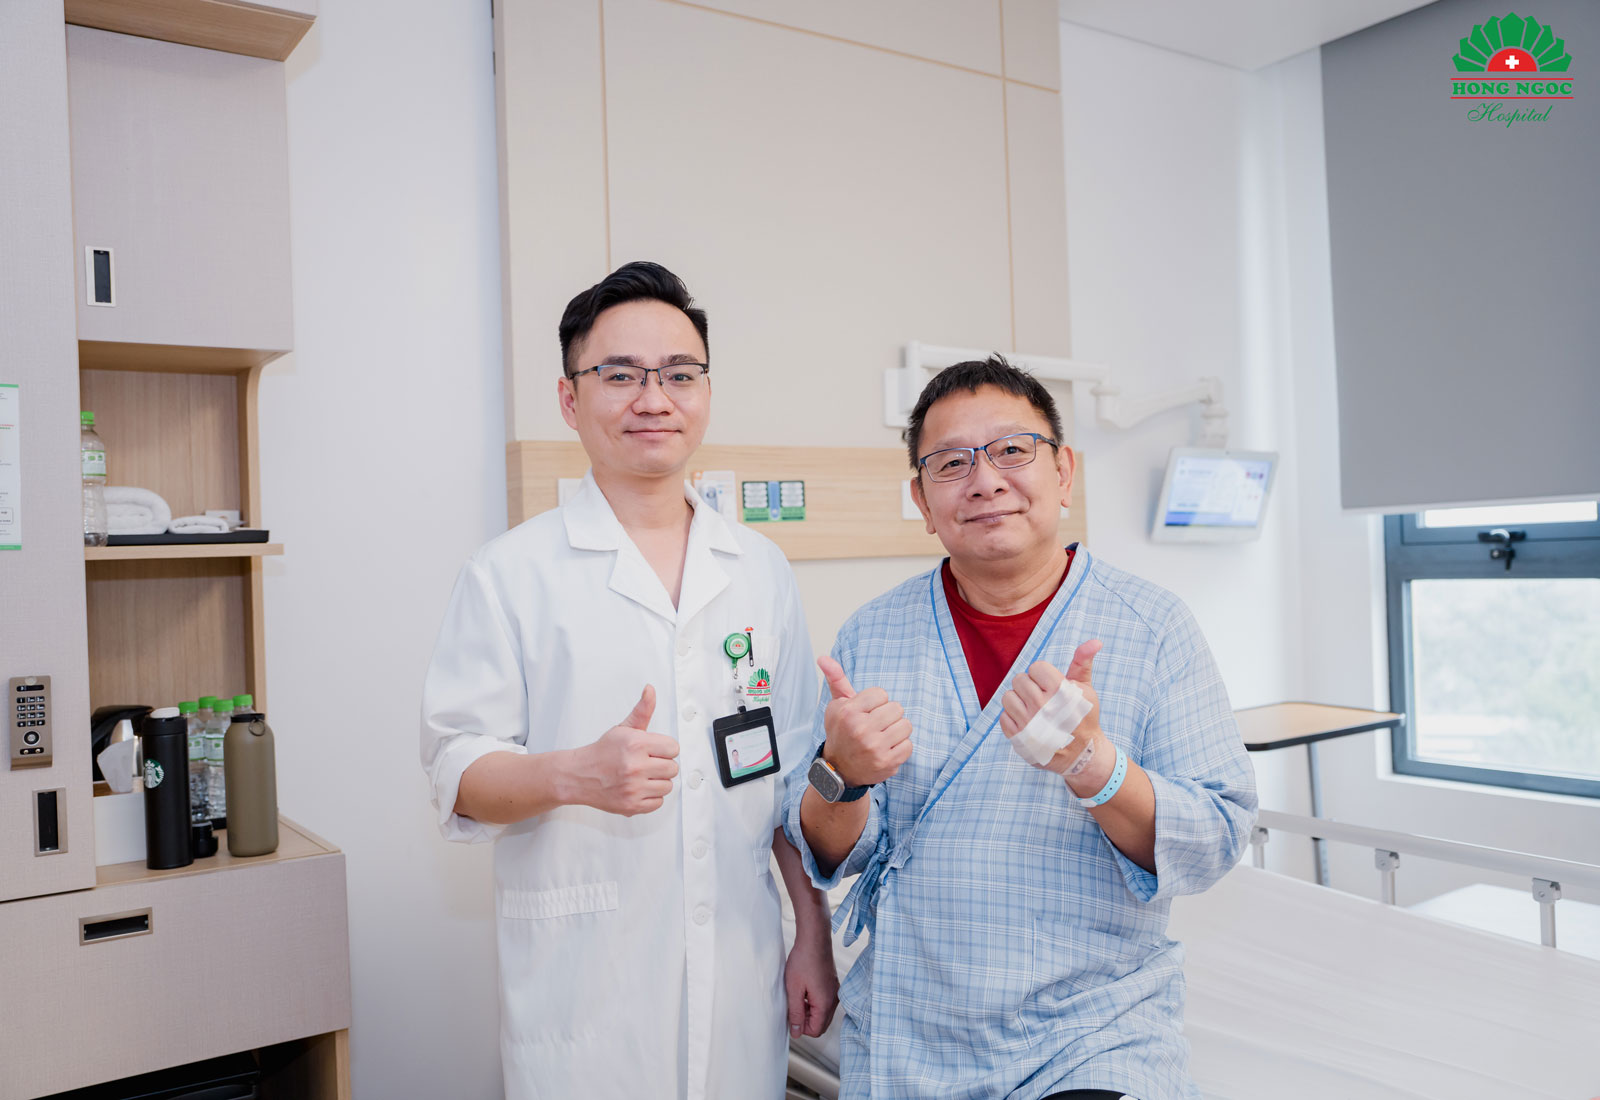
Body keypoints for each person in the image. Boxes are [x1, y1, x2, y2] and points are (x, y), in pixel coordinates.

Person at [785, 356, 1257, 1100]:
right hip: (916, 1024)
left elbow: (1215, 838)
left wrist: (1094, 766)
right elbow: (829, 854)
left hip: (1091, 1032)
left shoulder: (1152, 627)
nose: (985, 480)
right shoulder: (873, 635)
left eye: (1012, 450)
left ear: (1064, 473)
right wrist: (840, 775)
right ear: (923, 500)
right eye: (951, 463)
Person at [421, 262, 837, 1100]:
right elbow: (456, 775)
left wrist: (812, 933)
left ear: (705, 393)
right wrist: (573, 774)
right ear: (570, 399)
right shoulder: (510, 573)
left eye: (679, 374)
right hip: (585, 995)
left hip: (740, 973)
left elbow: (787, 776)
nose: (655, 398)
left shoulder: (759, 569)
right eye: (620, 375)